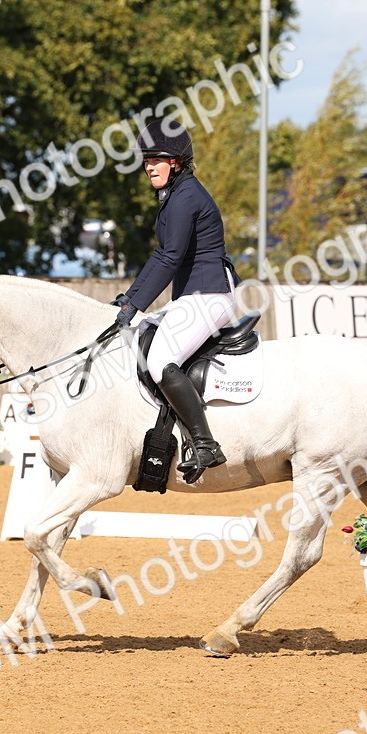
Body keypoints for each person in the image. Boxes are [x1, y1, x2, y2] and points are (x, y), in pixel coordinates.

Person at [112, 118, 240, 474]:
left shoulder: (186, 197)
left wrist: (135, 305)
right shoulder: (174, 196)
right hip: (192, 295)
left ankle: (205, 444)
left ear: (177, 161)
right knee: (141, 335)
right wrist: (128, 300)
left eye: (156, 160)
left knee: (160, 360)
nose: (149, 167)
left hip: (210, 293)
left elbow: (170, 258)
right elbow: (161, 254)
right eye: (146, 160)